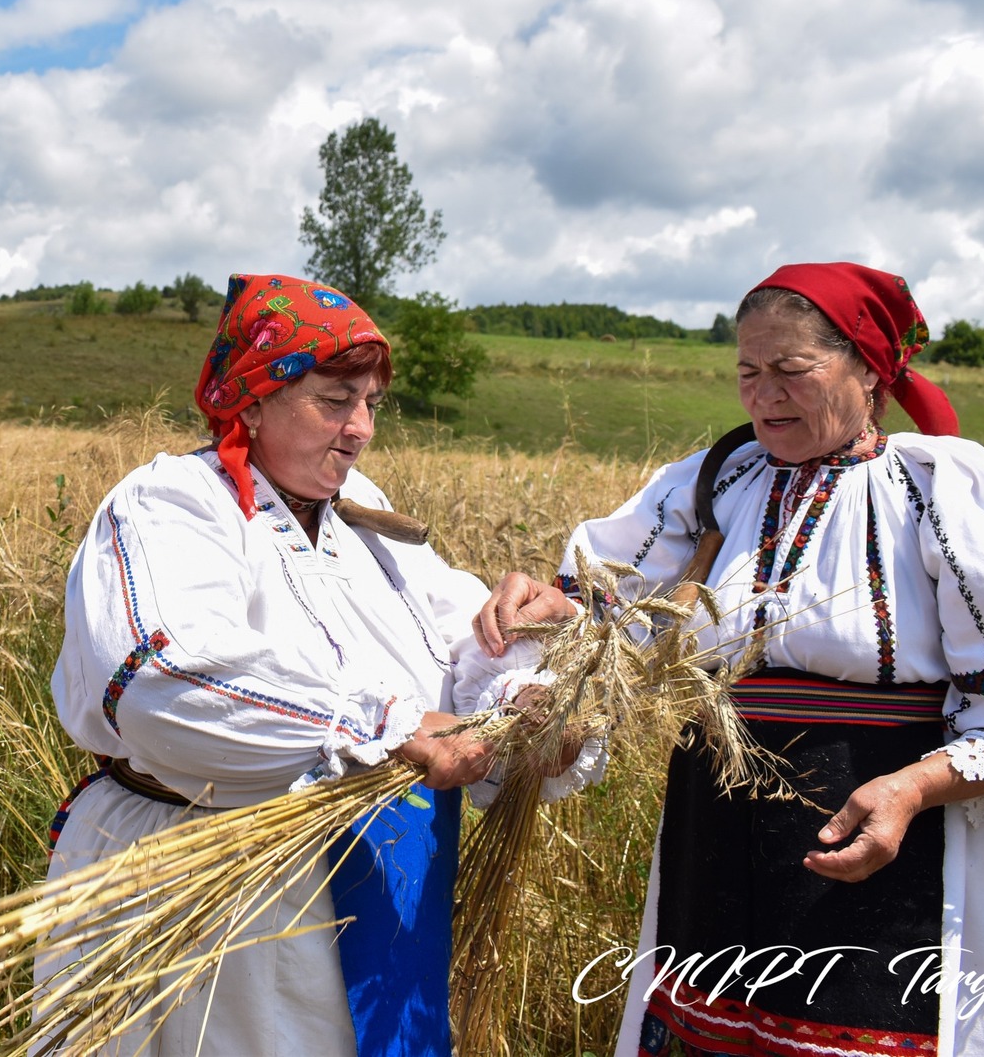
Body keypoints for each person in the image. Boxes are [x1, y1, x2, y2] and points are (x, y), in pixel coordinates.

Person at [479, 262, 984, 1055]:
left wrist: (910, 789)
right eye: (748, 372)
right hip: (716, 833)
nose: (765, 395)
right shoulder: (716, 483)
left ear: (867, 370)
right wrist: (553, 611)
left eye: (791, 369)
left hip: (882, 839)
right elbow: (615, 616)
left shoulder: (939, 490)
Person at [41, 273, 600, 1057]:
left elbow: (455, 639)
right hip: (220, 893)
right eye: (336, 400)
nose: (361, 427)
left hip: (378, 885)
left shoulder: (360, 517)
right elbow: (156, 675)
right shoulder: (174, 504)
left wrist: (528, 702)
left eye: (371, 402)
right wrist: (386, 726)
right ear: (254, 399)